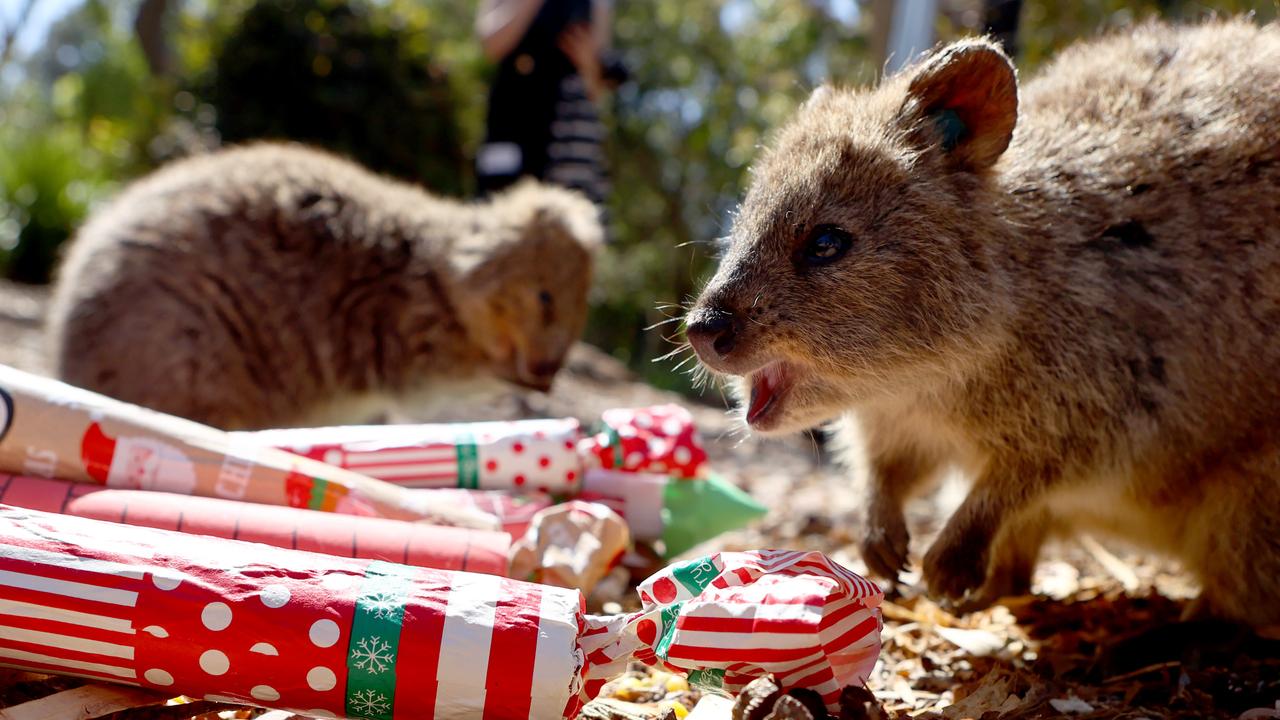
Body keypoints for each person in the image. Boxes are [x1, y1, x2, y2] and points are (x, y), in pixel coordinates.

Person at [474, 0, 626, 209]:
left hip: (569, 133)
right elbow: (490, 45)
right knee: (500, 213)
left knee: (571, 224)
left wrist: (589, 65)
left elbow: (598, 89)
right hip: (512, 119)